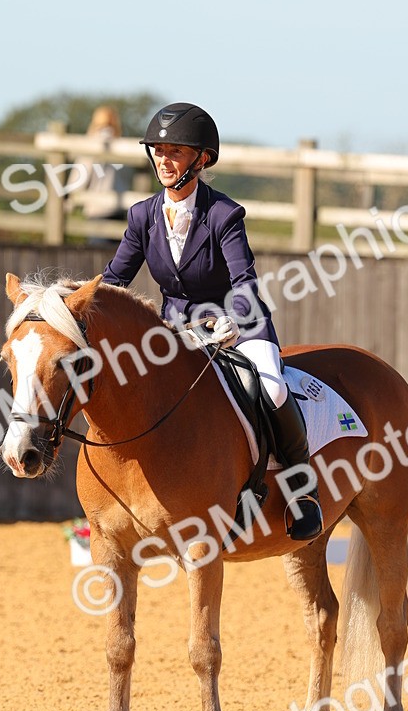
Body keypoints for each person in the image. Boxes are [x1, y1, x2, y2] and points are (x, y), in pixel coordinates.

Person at [101, 101, 323, 541]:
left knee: (273, 389)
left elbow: (244, 281)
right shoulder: (142, 216)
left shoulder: (224, 214)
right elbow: (113, 281)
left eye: (176, 152)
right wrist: (75, 305)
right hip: (177, 332)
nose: (164, 161)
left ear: (201, 159)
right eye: (159, 151)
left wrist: (233, 320)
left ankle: (302, 492)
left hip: (238, 326)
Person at [67, 105, 130, 243]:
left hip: (97, 212)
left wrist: (68, 204)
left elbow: (79, 178)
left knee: (97, 253)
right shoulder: (124, 145)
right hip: (121, 212)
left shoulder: (91, 145)